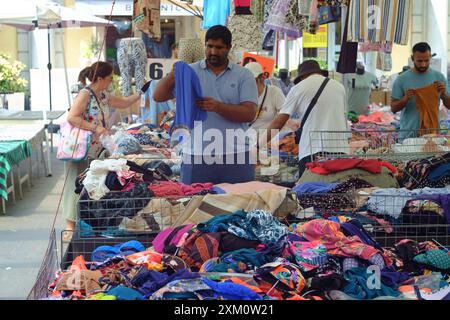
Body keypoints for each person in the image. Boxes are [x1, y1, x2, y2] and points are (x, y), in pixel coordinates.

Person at [153, 25, 258, 185]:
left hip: (236, 153)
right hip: (196, 154)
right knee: (193, 204)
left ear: (229, 48)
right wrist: (174, 73)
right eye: (209, 46)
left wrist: (217, 106)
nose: (213, 52)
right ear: (205, 45)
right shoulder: (190, 72)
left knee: (237, 205)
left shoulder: (244, 75)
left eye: (219, 47)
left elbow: (249, 113)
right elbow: (158, 96)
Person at [63, 61, 149, 238]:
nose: (111, 81)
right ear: (100, 79)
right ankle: (69, 226)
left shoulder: (103, 95)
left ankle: (82, 221)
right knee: (74, 184)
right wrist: (95, 127)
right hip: (80, 149)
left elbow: (124, 102)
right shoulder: (85, 94)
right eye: (110, 78)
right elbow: (72, 117)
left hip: (94, 149)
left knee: (87, 184)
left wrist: (141, 92)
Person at [261, 60, 349, 177]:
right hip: (340, 149)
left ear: (302, 76)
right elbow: (343, 116)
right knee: (337, 190)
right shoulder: (339, 87)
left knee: (309, 191)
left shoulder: (299, 88)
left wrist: (259, 143)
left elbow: (280, 120)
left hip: (312, 151)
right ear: (320, 72)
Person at [391, 42, 450, 140]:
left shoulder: (439, 78)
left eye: (426, 60)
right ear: (412, 58)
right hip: (408, 136)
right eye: (419, 61)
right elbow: (393, 108)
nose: (423, 64)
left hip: (432, 136)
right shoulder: (401, 79)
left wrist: (444, 94)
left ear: (430, 57)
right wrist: (405, 99)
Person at [245, 62, 286, 130]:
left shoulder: (274, 92)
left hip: (270, 136)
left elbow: (284, 115)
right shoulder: (242, 94)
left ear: (261, 78)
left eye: (250, 79)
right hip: (249, 136)